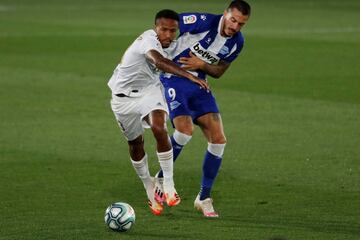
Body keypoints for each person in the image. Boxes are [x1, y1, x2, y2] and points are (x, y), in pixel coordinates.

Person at [107, 9, 209, 216]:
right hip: (122, 98)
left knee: (158, 126)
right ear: (156, 28)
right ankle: (149, 187)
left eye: (173, 31)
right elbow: (159, 62)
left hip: (149, 92)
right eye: (164, 30)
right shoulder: (148, 40)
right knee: (135, 144)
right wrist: (189, 77)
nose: (168, 35)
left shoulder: (171, 45)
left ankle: (168, 184)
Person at [155, 1, 251, 217]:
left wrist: (201, 65)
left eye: (241, 24)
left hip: (199, 84)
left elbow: (218, 72)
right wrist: (159, 53)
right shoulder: (203, 22)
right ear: (226, 14)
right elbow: (169, 24)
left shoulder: (237, 42)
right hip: (173, 78)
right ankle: (160, 177)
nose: (235, 26)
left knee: (218, 139)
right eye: (233, 20)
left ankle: (204, 198)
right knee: (184, 131)